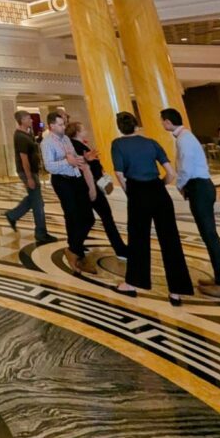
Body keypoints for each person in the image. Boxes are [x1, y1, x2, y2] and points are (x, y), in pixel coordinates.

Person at [111, 111, 192, 305]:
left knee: (138, 238)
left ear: (119, 127)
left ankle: (133, 284)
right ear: (136, 125)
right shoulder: (151, 142)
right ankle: (176, 291)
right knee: (170, 238)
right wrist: (160, 186)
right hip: (157, 190)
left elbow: (119, 174)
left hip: (137, 192)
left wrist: (131, 192)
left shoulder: (118, 144)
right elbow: (171, 173)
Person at [161, 108, 220, 298]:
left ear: (168, 122)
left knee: (209, 234)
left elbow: (186, 167)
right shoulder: (185, 136)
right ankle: (219, 276)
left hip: (199, 188)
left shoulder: (184, 139)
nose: (162, 124)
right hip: (201, 187)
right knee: (208, 234)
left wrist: (180, 185)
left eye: (162, 121)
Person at [41, 111, 97, 274]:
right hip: (62, 181)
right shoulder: (47, 143)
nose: (63, 126)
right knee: (72, 216)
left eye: (63, 124)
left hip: (75, 177)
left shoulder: (66, 139)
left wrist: (84, 158)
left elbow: (74, 157)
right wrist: (67, 161)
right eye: (59, 124)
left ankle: (72, 249)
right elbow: (49, 166)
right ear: (51, 126)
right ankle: (77, 254)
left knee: (88, 217)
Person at [66, 121, 128, 259]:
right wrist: (92, 189)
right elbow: (83, 167)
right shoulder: (76, 146)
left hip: (90, 186)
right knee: (104, 217)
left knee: (89, 219)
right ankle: (119, 249)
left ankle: (76, 246)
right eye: (83, 128)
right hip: (90, 187)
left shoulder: (80, 144)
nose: (85, 130)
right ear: (76, 131)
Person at [4, 111, 57, 246]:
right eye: (28, 118)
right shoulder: (21, 136)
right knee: (38, 204)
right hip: (27, 172)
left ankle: (12, 215)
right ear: (22, 120)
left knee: (35, 199)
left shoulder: (27, 134)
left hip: (32, 171)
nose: (31, 120)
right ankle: (41, 233)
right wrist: (29, 178)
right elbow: (24, 158)